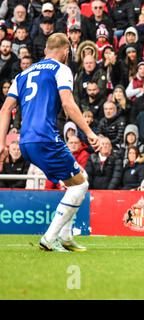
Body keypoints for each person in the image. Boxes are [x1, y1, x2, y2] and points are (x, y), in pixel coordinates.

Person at [0, 33, 100, 252]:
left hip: (25, 141)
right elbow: (68, 105)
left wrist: (2, 144)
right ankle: (51, 237)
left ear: (46, 50)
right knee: (81, 184)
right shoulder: (61, 69)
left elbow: (5, 109)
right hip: (45, 137)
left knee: (77, 179)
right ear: (65, 51)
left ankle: (65, 236)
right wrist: (89, 132)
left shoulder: (23, 74)